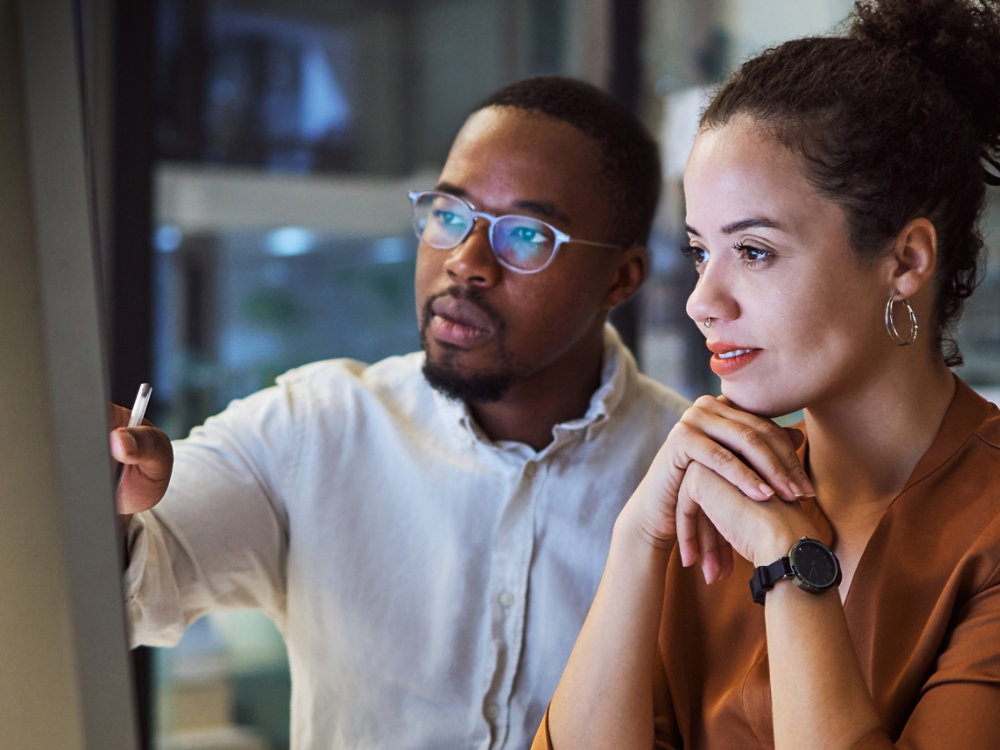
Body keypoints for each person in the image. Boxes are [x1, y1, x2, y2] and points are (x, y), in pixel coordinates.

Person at [109, 75, 691, 749]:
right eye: (449, 214)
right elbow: (134, 592)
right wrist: (113, 499)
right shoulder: (317, 427)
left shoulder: (686, 474)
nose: (466, 263)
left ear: (621, 278)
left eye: (526, 235)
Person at [535, 1, 1000, 748]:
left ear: (906, 260)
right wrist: (634, 539)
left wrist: (794, 565)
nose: (700, 302)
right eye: (698, 251)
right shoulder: (713, 500)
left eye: (753, 251)